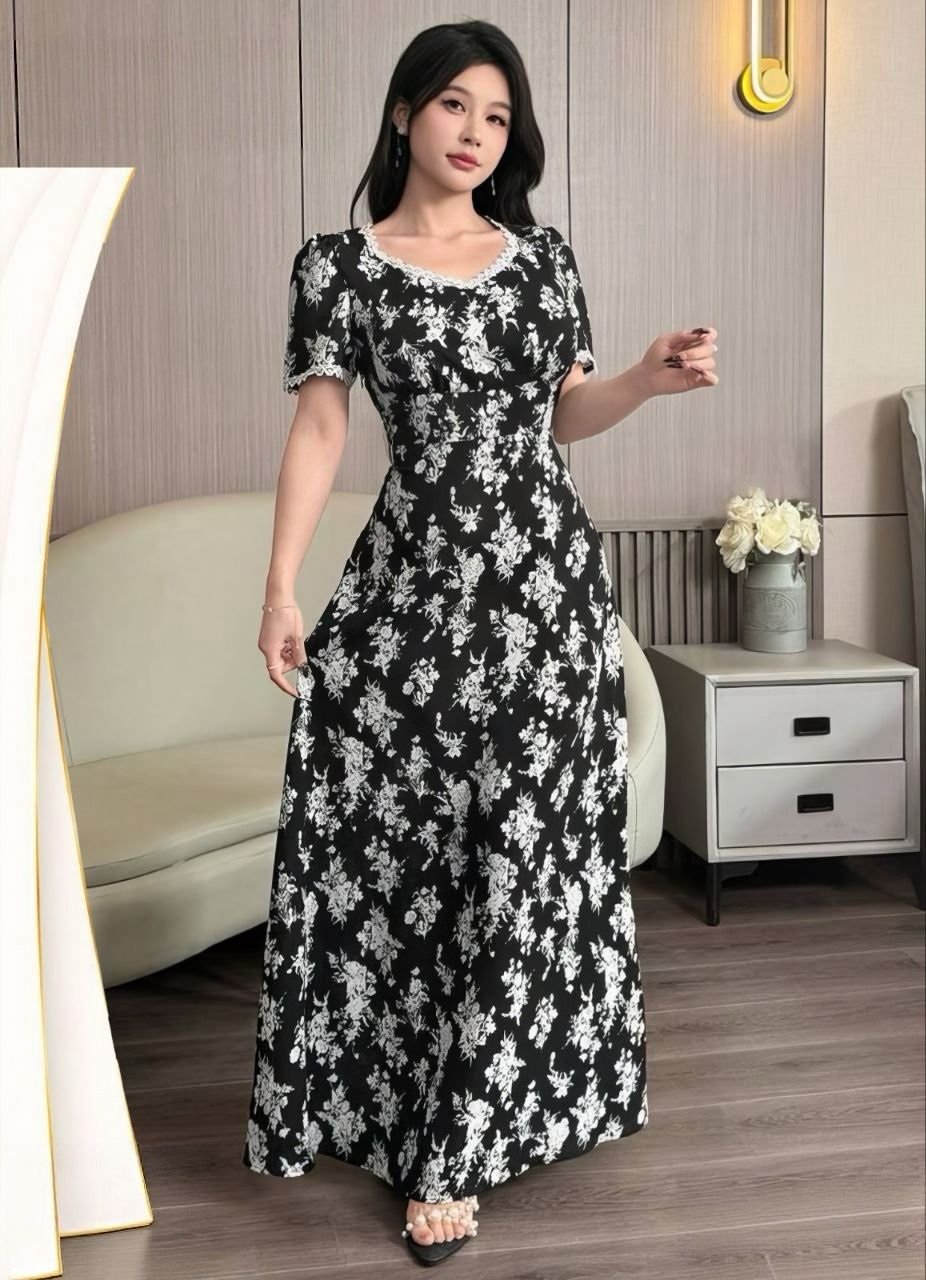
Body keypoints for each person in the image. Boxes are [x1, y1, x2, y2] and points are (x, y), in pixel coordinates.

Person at [241, 17, 718, 1267]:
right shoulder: (336, 268)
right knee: (415, 853)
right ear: (405, 111)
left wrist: (642, 379)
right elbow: (321, 429)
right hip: (409, 599)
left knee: (523, 852)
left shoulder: (542, 257)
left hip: (543, 598)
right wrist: (280, 588)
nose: (475, 133)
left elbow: (564, 411)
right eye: (454, 104)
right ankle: (400, 1110)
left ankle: (452, 1152)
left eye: (497, 116)